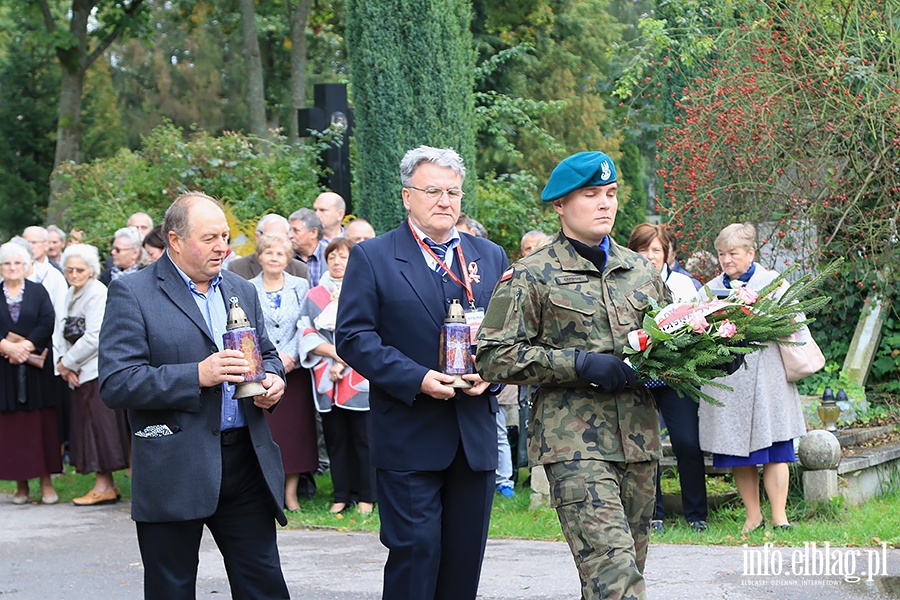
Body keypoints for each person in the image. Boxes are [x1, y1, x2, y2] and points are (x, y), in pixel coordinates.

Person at [476, 151, 669, 600]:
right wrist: (578, 364)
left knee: (616, 574)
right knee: (617, 579)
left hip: (638, 441)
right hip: (575, 443)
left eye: (611, 194)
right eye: (591, 195)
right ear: (560, 205)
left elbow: (665, 342)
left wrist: (712, 354)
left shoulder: (640, 270)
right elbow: (493, 355)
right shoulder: (531, 274)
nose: (605, 204)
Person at [335, 146, 508, 600]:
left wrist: (495, 372)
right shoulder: (373, 256)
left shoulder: (489, 256)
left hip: (473, 436)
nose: (445, 201)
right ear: (407, 196)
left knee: (463, 560)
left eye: (453, 191)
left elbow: (508, 334)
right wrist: (417, 378)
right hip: (409, 435)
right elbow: (354, 338)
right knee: (416, 553)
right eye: (432, 190)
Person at [98, 192, 290, 599]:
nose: (223, 246)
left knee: (264, 585)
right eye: (209, 238)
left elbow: (268, 355)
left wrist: (273, 380)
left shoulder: (241, 288)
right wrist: (196, 375)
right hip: (174, 464)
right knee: (172, 587)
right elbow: (117, 382)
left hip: (244, 460)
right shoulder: (133, 292)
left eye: (225, 236)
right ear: (175, 240)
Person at [698, 222, 806, 533]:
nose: (726, 260)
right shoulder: (709, 288)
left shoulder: (773, 283)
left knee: (775, 450)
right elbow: (696, 325)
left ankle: (780, 517)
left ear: (751, 253)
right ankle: (752, 516)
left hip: (769, 377)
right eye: (721, 254)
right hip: (729, 381)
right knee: (738, 452)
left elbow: (795, 322)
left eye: (733, 253)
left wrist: (759, 315)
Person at [627, 223, 708, 533]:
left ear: (667, 254)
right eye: (643, 249)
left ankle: (697, 514)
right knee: (648, 446)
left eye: (656, 250)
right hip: (640, 377)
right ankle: (653, 513)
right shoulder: (622, 285)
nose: (650, 256)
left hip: (677, 376)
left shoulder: (686, 286)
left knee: (687, 442)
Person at [299, 237, 375, 514]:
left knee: (363, 437)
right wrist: (334, 355)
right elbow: (306, 332)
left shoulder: (364, 291)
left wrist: (344, 362)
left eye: (343, 257)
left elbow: (368, 333)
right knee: (336, 438)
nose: (337, 262)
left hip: (358, 377)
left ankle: (367, 495)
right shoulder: (315, 295)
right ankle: (341, 494)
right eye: (332, 257)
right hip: (326, 377)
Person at [249, 232, 318, 512]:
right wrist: (271, 360)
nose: (274, 258)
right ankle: (268, 492)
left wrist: (290, 356)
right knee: (268, 433)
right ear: (260, 257)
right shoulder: (247, 287)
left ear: (288, 258)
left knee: (295, 435)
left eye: (279, 253)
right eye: (269, 253)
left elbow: (305, 324)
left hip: (295, 370)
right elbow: (251, 328)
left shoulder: (300, 286)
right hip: (262, 373)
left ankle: (291, 494)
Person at [56, 244, 130, 506]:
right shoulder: (70, 293)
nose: (74, 274)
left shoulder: (97, 292)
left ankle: (105, 486)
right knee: (87, 429)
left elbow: (95, 336)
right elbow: (60, 330)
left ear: (91, 270)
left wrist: (68, 362)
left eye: (80, 269)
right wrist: (64, 364)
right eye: (69, 269)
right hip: (77, 371)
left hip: (95, 370)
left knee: (101, 429)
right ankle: (105, 485)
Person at [0, 241, 61, 505]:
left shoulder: (38, 291)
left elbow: (48, 320)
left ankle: (46, 484)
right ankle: (21, 486)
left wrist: (25, 346)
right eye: (7, 264)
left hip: (37, 370)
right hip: (4, 371)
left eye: (17, 263)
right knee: (12, 428)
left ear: (26, 266)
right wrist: (5, 347)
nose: (12, 268)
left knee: (41, 426)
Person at [228, 214, 310, 280]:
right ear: (257, 237)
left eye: (280, 238)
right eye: (269, 237)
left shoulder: (299, 270)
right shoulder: (237, 268)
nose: (275, 242)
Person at [288, 208, 327, 287]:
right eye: (290, 230)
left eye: (296, 231)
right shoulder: (286, 258)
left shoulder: (331, 255)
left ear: (313, 233)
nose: (290, 235)